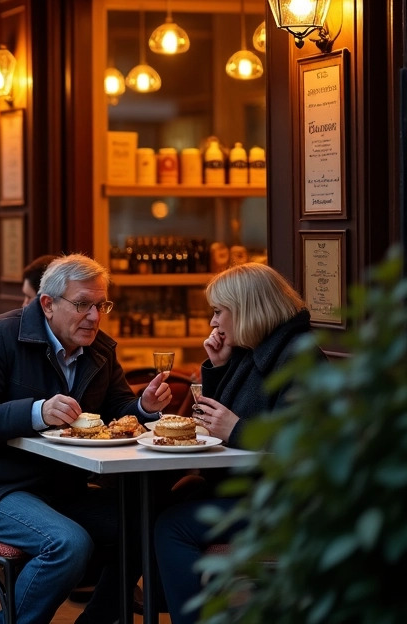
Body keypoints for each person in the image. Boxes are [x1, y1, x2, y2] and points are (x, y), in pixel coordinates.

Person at [0, 254, 172, 624]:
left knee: (147, 521)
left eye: (101, 305)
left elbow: (118, 411)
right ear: (47, 304)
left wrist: (143, 407)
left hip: (60, 489)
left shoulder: (99, 350)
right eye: (83, 305)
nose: (95, 317)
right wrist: (36, 412)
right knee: (67, 544)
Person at [155, 263, 316, 624]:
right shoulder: (253, 350)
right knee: (161, 503)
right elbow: (217, 423)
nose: (213, 323)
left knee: (171, 527)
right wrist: (218, 367)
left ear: (245, 310)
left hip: (284, 505)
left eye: (218, 311)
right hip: (250, 490)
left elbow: (302, 448)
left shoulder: (299, 357)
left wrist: (237, 428)